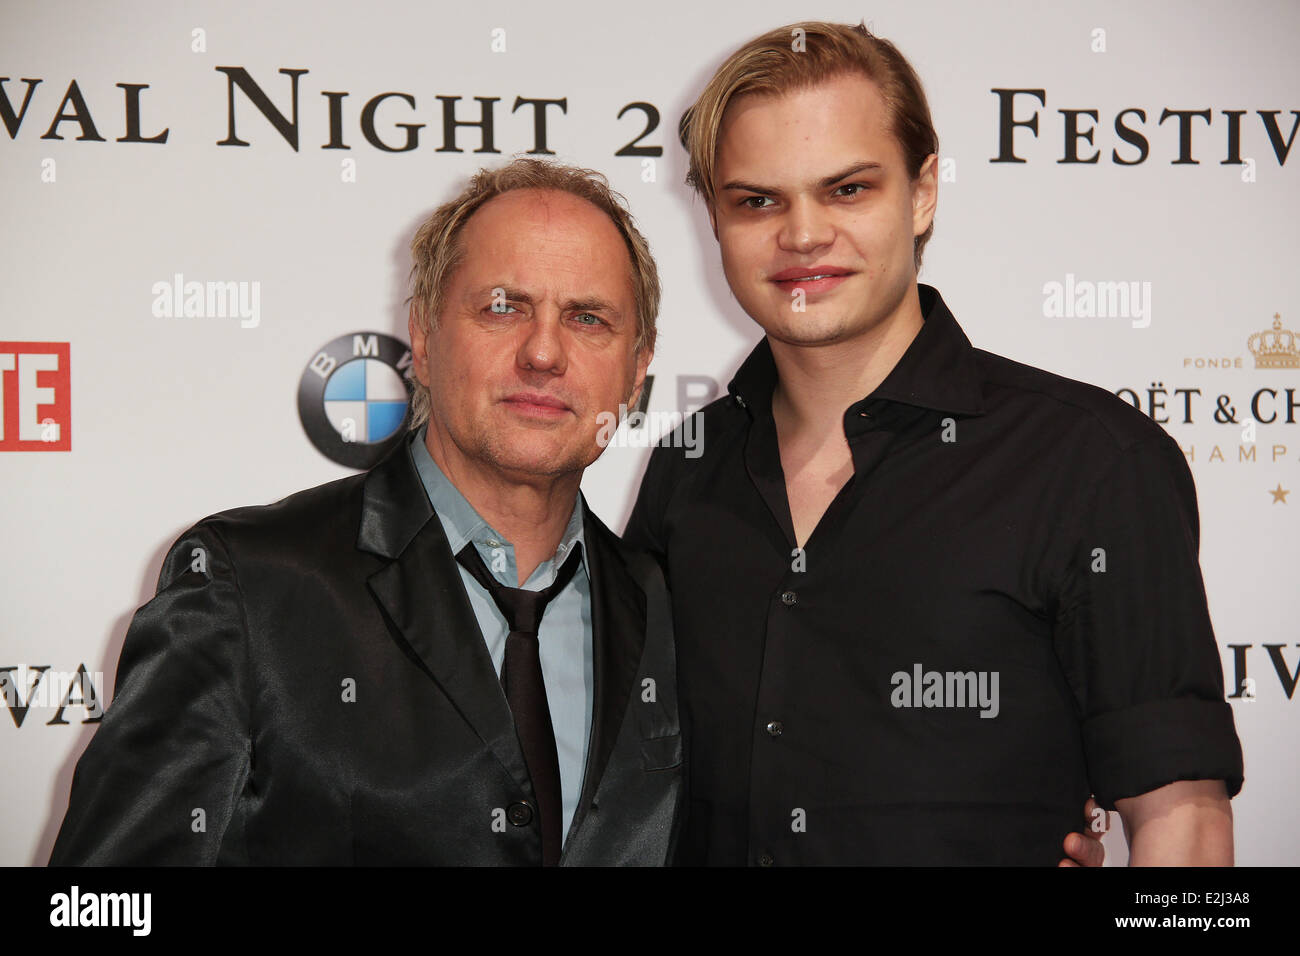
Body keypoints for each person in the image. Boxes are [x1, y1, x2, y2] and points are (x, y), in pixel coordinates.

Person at [624, 21, 1242, 865]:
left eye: (847, 189)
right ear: (715, 220)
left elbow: (1185, 820)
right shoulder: (687, 468)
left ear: (922, 192)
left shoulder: (1091, 461)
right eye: (757, 200)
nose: (802, 235)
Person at [49, 158, 683, 866]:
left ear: (636, 369)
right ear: (423, 333)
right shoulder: (248, 589)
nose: (542, 352)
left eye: (588, 318)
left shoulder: (665, 605)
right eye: (502, 307)